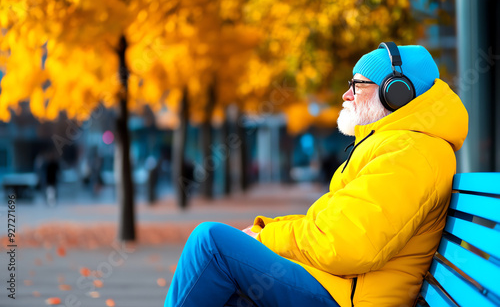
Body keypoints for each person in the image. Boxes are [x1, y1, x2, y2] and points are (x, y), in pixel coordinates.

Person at [163, 42, 468, 307]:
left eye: (358, 85)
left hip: (347, 297)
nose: (346, 95)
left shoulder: (410, 151)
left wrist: (267, 237)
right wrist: (264, 230)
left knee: (211, 242)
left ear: (395, 93)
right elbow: (329, 227)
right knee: (220, 288)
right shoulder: (397, 144)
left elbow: (347, 245)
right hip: (338, 286)